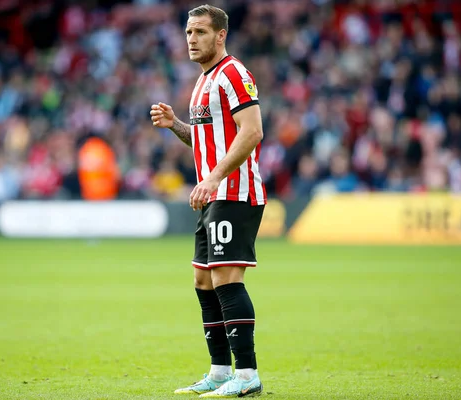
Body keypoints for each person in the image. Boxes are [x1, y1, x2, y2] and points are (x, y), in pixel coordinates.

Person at [150, 4, 266, 398]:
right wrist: (176, 126)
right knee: (203, 280)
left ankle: (247, 374)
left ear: (221, 36)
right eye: (187, 32)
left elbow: (252, 132)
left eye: (200, 32)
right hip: (211, 195)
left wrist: (215, 177)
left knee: (226, 278)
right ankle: (219, 372)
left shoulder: (234, 73)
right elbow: (205, 141)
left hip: (234, 191)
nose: (191, 39)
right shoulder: (202, 82)